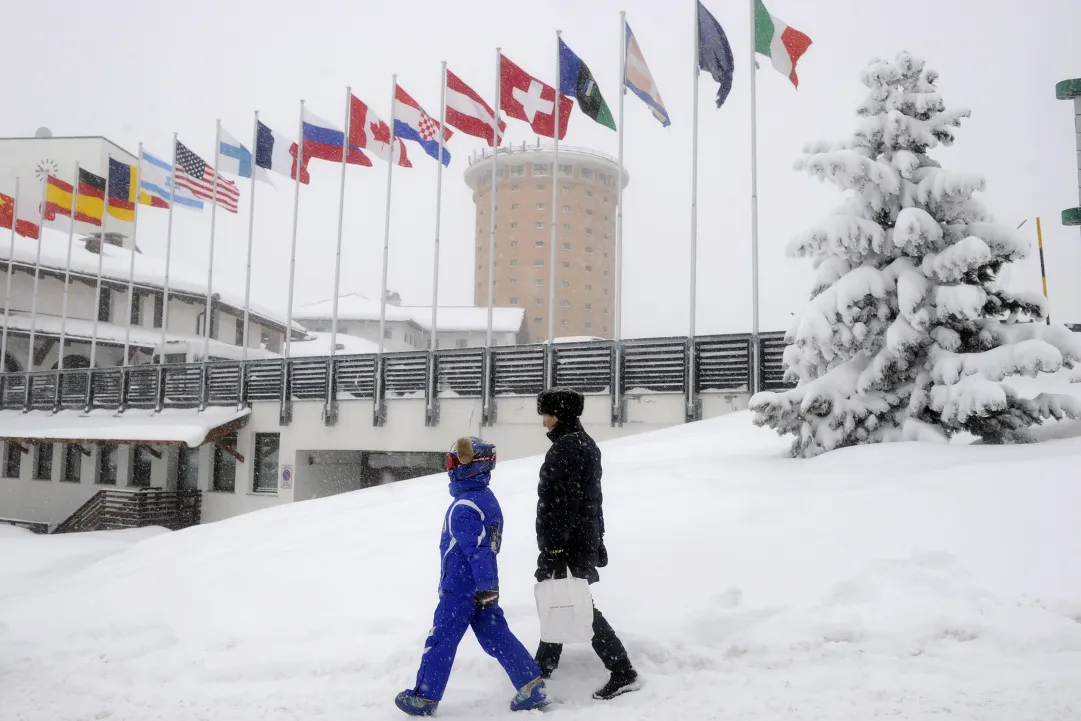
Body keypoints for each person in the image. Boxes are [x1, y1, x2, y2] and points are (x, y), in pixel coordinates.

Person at [395, 437, 549, 717]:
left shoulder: (464, 506)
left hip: (460, 589)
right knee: (496, 635)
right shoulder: (485, 500)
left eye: (453, 462)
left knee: (441, 639)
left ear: (470, 466)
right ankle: (530, 685)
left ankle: (425, 698)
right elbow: (488, 548)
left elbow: (478, 551)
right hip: (480, 588)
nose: (449, 468)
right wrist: (488, 588)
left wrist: (486, 586)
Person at [533, 388, 641, 700]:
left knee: (579, 605)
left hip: (569, 541)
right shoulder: (586, 444)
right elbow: (594, 500)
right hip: (582, 537)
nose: (544, 421)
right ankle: (545, 662)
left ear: (559, 415)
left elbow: (563, 505)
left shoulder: (566, 448)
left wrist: (554, 548)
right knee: (560, 594)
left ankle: (623, 670)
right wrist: (599, 539)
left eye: (547, 414)